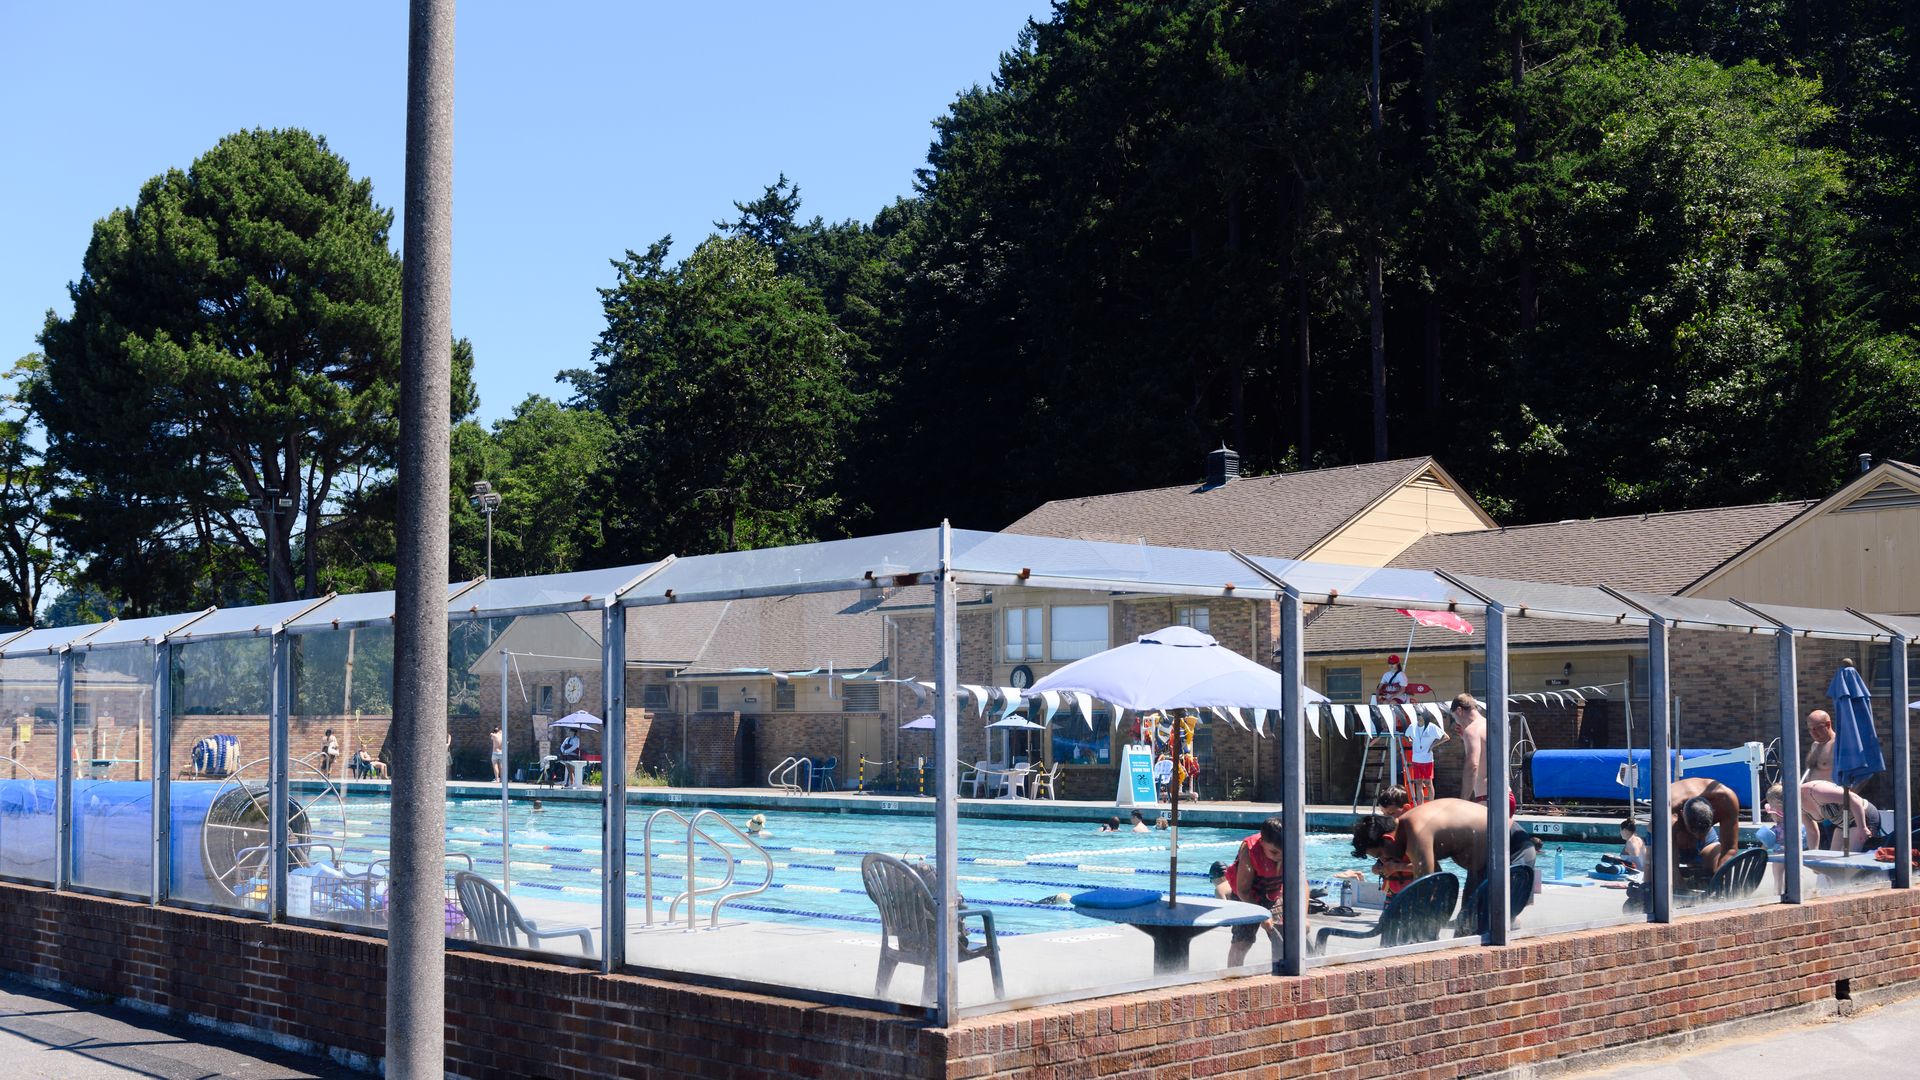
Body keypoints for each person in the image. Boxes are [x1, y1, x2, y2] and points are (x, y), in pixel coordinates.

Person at [1351, 797, 1533, 932]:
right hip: (1484, 864)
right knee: (1467, 927)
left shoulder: (1416, 831)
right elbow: (1437, 882)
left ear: (1387, 839)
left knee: (1484, 927)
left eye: (1381, 855)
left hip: (1512, 849)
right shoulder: (1407, 829)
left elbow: (1428, 887)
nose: (1383, 860)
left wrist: (1414, 931)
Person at [1224, 817, 1289, 967]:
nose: (1279, 857)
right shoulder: (1249, 850)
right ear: (1261, 843)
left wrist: (1303, 917)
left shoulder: (1290, 847)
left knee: (1285, 938)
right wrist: (1261, 915)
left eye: (1283, 853)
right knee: (1242, 941)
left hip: (1273, 892)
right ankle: (1233, 974)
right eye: (1273, 852)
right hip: (1246, 896)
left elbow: (1301, 883)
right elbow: (1243, 891)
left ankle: (1281, 971)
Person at [1450, 693, 1517, 813]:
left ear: (1459, 710)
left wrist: (1463, 801)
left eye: (1455, 718)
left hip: (1487, 799)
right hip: (1508, 795)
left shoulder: (1472, 730)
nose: (1458, 722)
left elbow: (1472, 766)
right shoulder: (1494, 726)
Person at [1668, 777, 1741, 886]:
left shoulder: (1726, 800)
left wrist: (1721, 876)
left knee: (1716, 873)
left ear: (1714, 812)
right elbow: (1668, 864)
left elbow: (1730, 849)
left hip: (1707, 839)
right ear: (1682, 814)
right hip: (1675, 838)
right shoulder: (1669, 813)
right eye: (1694, 833)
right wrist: (1675, 878)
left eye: (1703, 832)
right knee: (1660, 877)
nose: (1699, 838)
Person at [1785, 780, 1877, 852]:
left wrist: (1862, 827)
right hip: (1842, 825)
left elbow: (1853, 798)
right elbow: (1811, 831)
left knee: (1845, 865)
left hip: (1863, 816)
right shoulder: (1797, 806)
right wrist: (1813, 854)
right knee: (1832, 865)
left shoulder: (1815, 791)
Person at [1407, 710, 1448, 806]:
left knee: (1428, 783)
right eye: (1417, 714)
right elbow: (1406, 736)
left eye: (1420, 714)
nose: (1418, 716)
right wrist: (1411, 742)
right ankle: (1420, 806)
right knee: (1418, 783)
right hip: (1416, 759)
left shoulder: (1431, 727)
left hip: (1427, 760)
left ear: (1425, 716)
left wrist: (1432, 745)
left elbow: (1445, 737)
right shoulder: (1412, 726)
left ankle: (1431, 805)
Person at [1804, 709, 1836, 785]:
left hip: (1831, 794)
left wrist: (1847, 794)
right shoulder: (1815, 745)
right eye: (1810, 729)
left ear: (1828, 725)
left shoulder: (1837, 744)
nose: (1813, 733)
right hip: (1812, 793)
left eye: (1816, 728)